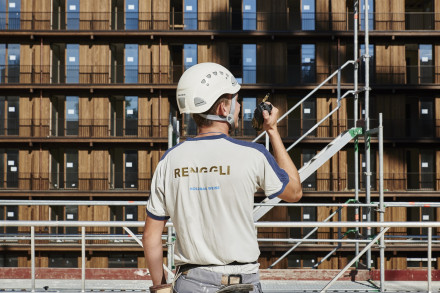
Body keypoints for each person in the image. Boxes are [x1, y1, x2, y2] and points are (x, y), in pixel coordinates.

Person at [143, 62, 302, 293]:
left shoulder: (169, 161)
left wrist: (159, 286)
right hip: (243, 283)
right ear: (223, 108)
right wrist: (273, 130)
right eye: (236, 101)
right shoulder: (253, 155)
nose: (239, 108)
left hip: (190, 283)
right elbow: (295, 192)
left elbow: (150, 236)